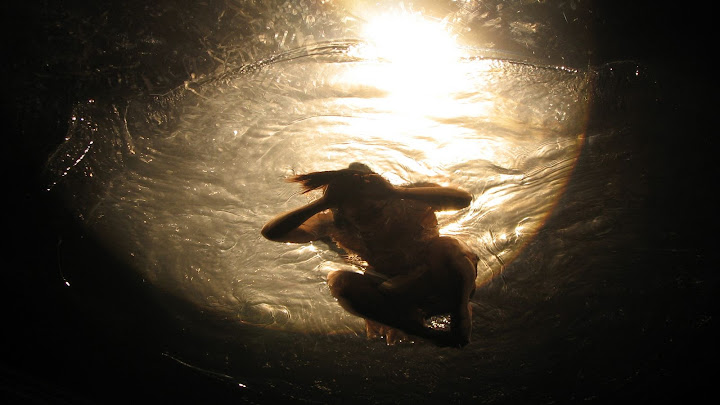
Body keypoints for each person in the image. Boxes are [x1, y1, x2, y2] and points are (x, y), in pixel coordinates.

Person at [261, 163, 478, 347]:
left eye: (375, 211)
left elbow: (464, 199)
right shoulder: (332, 222)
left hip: (442, 277)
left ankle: (460, 312)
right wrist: (322, 203)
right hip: (395, 291)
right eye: (359, 217)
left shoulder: (410, 200)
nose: (372, 221)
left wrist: (397, 192)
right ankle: (425, 334)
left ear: (385, 199)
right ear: (343, 213)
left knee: (447, 246)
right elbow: (271, 233)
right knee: (338, 280)